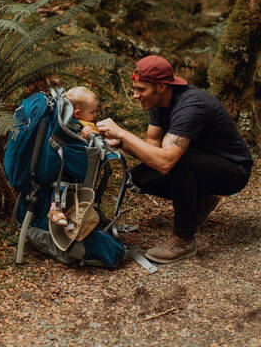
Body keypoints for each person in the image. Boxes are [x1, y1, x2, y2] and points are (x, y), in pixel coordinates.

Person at [96, 55, 253, 264]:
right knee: (139, 177)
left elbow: (165, 161)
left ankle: (184, 240)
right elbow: (152, 150)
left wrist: (122, 133)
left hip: (233, 171)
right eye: (135, 88)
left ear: (161, 86)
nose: (135, 95)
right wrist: (120, 143)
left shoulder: (191, 106)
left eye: (141, 89)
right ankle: (201, 198)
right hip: (202, 163)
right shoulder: (158, 103)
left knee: (179, 161)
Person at [48, 86, 118, 225]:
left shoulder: (73, 122)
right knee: (61, 183)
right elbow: (74, 140)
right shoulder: (78, 126)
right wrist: (83, 136)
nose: (95, 114)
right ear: (78, 114)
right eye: (93, 112)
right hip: (68, 164)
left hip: (70, 163)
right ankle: (54, 209)